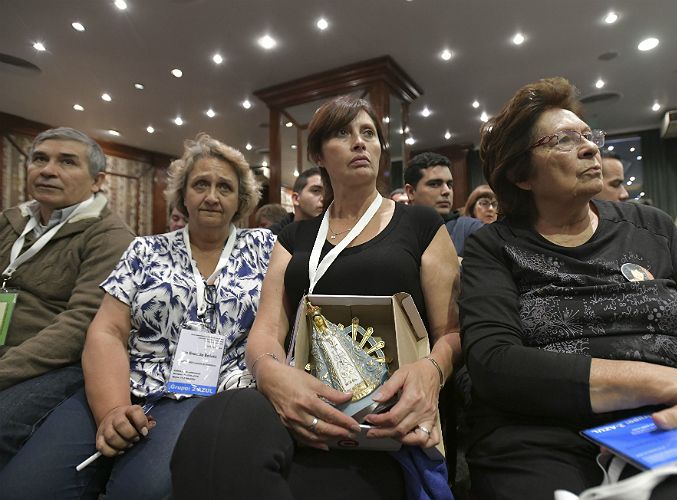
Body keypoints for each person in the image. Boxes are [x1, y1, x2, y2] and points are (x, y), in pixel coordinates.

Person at [170, 96, 461, 499]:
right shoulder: (295, 237)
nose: (361, 143)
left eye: (369, 133)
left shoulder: (421, 224)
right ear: (319, 155)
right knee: (216, 422)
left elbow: (452, 331)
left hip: (384, 413)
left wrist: (432, 371)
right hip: (298, 396)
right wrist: (273, 377)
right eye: (344, 133)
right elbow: (268, 328)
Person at [461, 77, 677, 499]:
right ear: (520, 174)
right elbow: (495, 363)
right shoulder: (493, 246)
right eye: (564, 140)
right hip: (538, 434)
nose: (590, 148)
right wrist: (672, 382)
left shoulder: (652, 227)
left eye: (589, 137)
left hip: (669, 422)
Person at [0, 134, 275, 499]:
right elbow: (107, 332)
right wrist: (113, 409)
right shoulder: (145, 249)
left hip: (207, 389)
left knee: (143, 491)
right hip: (125, 381)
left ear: (241, 200)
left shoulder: (266, 248)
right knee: (25, 489)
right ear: (182, 196)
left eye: (224, 187)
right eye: (200, 185)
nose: (211, 196)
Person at [0, 127, 133, 470]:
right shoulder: (11, 221)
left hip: (56, 364)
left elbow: (80, 325)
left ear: (97, 181)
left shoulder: (110, 236)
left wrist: (5, 368)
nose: (47, 170)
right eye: (40, 159)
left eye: (67, 162)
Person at [404, 152, 483, 257]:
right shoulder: (395, 232)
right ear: (411, 192)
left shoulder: (471, 229)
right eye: (435, 184)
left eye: (449, 185)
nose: (447, 191)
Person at [269, 167, 325, 234]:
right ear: (296, 199)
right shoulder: (271, 238)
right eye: (316, 190)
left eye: (328, 193)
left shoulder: (332, 235)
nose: (324, 198)